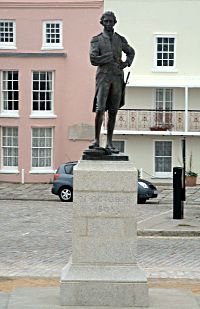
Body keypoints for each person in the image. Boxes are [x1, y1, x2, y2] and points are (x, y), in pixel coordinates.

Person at [89, 11, 135, 153]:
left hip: (117, 77)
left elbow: (131, 52)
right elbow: (93, 59)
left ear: (114, 22)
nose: (108, 23)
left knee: (113, 111)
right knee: (100, 108)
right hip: (103, 77)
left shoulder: (120, 39)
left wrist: (126, 63)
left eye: (111, 21)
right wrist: (108, 57)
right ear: (102, 22)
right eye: (106, 21)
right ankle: (97, 140)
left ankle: (109, 142)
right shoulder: (96, 40)